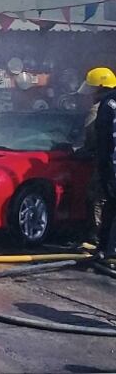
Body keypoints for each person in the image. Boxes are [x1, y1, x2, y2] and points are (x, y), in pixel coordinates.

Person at [84, 68, 116, 256]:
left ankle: (103, 244)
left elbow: (100, 140)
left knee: (103, 201)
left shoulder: (104, 107)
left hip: (110, 165)